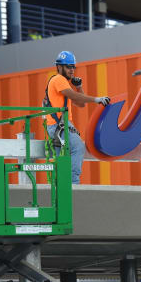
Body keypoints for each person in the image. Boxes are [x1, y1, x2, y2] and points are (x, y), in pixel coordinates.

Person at [45, 51, 110, 184]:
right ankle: (73, 184)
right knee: (78, 148)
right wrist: (97, 99)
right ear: (59, 67)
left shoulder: (64, 83)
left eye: (73, 67)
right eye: (69, 67)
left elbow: (80, 104)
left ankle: (61, 188)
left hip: (59, 127)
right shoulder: (58, 79)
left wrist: (79, 87)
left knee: (61, 160)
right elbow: (74, 96)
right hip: (59, 126)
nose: (72, 70)